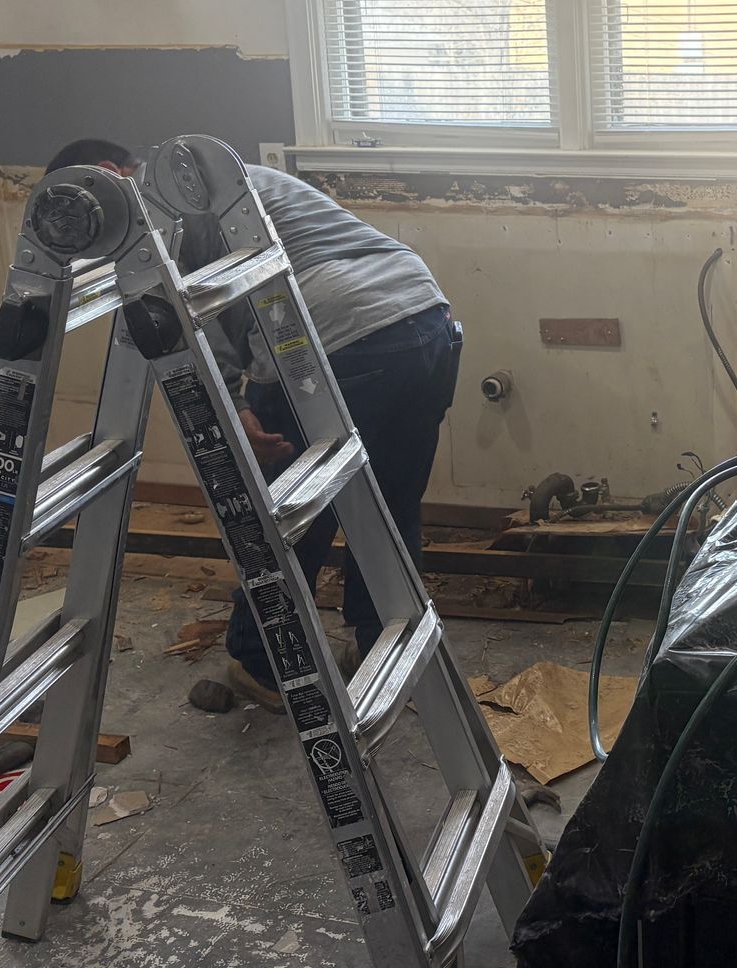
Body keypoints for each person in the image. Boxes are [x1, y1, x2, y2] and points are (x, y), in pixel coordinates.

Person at [43, 139, 459, 711]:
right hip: (423, 317)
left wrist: (241, 404)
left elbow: (189, 327)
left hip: (332, 336)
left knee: (285, 513)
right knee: (389, 504)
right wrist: (242, 398)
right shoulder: (227, 180)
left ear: (110, 177)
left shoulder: (159, 208)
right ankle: (378, 652)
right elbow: (213, 311)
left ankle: (266, 664)